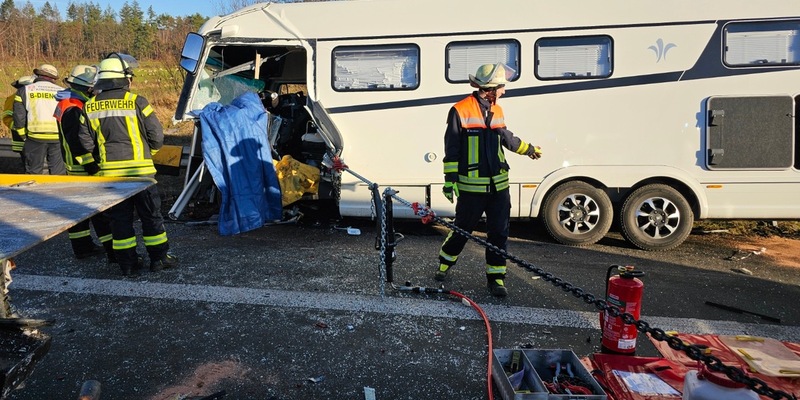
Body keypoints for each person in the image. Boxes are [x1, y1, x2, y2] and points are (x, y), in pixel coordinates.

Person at [434, 63, 542, 297]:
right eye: (502, 87)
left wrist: (529, 149)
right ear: (490, 89)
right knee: (462, 229)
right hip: (471, 187)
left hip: (499, 187)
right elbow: (451, 148)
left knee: (499, 233)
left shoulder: (498, 110)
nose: (504, 91)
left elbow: (506, 138)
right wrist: (449, 179)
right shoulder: (460, 110)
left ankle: (496, 278)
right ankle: (444, 264)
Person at [76, 53, 177, 276]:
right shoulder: (137, 101)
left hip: (111, 176)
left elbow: (84, 142)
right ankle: (159, 259)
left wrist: (100, 158)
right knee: (151, 217)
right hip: (141, 175)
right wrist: (148, 152)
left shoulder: (89, 107)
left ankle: (128, 264)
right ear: (123, 78)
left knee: (119, 221)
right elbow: (157, 136)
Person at [55, 64, 115, 261]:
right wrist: (90, 164)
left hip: (74, 166)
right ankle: (110, 248)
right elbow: (77, 141)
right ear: (88, 86)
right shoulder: (74, 106)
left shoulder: (69, 101)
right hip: (82, 167)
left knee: (79, 210)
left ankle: (83, 247)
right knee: (98, 211)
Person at [12, 64, 66, 175]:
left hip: (34, 137)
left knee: (33, 172)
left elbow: (19, 116)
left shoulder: (24, 91)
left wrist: (23, 136)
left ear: (37, 75)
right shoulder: (63, 91)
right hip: (57, 137)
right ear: (54, 79)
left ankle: (32, 192)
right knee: (58, 173)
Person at [3, 75, 35, 169]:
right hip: (21, 140)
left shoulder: (34, 97)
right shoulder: (12, 98)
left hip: (35, 138)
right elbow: (7, 117)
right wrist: (19, 127)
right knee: (28, 165)